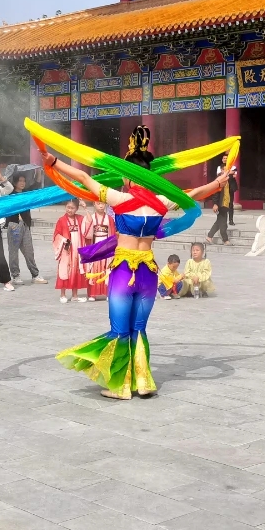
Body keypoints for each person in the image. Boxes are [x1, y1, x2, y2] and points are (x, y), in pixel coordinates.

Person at [42, 125, 233, 398]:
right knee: (139, 329)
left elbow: (83, 177)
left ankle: (121, 386)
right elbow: (192, 194)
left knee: (120, 330)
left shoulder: (119, 198)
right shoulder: (162, 202)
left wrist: (54, 162)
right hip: (148, 274)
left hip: (123, 272)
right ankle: (142, 383)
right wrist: (218, 183)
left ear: (130, 177)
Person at [5, 175, 47, 285]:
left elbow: (36, 185)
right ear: (15, 182)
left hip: (25, 225)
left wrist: (38, 173)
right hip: (14, 225)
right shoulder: (10, 194)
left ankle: (35, 275)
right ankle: (15, 275)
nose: (22, 183)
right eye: (20, 181)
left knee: (29, 251)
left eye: (24, 181)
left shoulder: (26, 193)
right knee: (13, 252)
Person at [53, 199, 88, 303]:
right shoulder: (61, 220)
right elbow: (56, 235)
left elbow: (89, 223)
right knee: (64, 271)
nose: (70, 210)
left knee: (76, 271)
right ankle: (62, 295)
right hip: (66, 250)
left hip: (77, 249)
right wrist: (63, 240)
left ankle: (74, 295)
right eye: (68, 207)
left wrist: (85, 208)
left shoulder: (80, 219)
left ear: (77, 209)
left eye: (72, 208)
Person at [81, 199, 115, 300]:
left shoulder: (109, 219)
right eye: (98, 203)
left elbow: (112, 234)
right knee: (94, 268)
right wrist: (85, 208)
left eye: (102, 204)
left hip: (106, 246)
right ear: (94, 204)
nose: (101, 206)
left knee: (107, 268)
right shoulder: (91, 218)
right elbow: (86, 233)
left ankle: (108, 292)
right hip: (95, 246)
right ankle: (92, 294)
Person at [206, 163, 237, 244]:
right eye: (225, 169)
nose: (227, 171)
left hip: (226, 204)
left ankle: (209, 237)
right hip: (220, 204)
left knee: (219, 221)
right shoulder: (219, 179)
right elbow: (215, 193)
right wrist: (215, 204)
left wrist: (232, 174)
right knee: (223, 222)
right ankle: (225, 240)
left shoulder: (227, 178)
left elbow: (234, 186)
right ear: (222, 170)